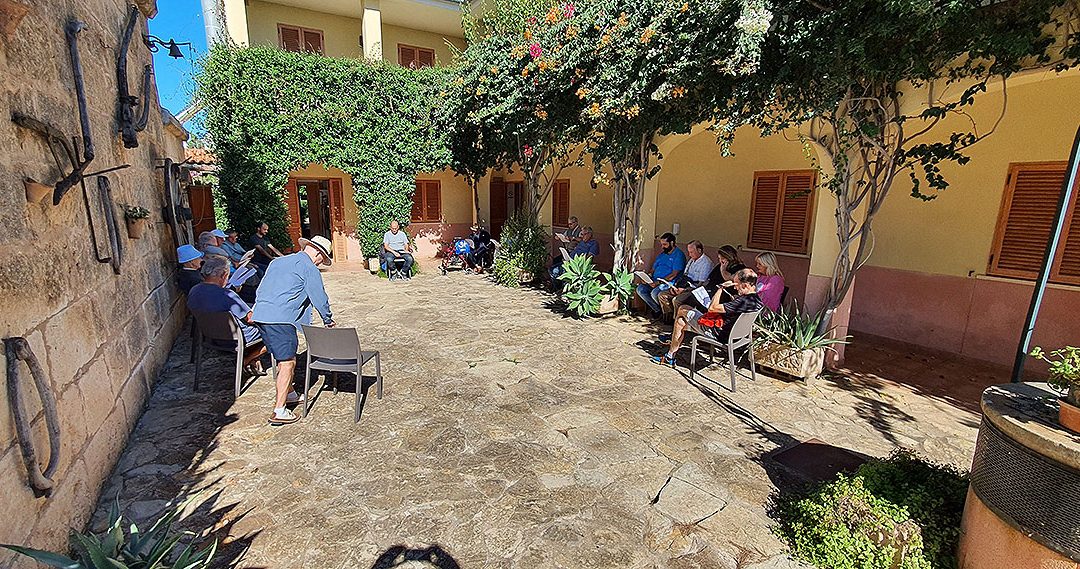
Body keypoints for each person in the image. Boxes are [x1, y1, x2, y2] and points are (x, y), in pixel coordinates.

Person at [253, 235, 335, 426]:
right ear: (317, 253)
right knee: (288, 362)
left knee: (283, 357)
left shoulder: (278, 261)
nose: (321, 262)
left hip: (261, 314)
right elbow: (319, 296)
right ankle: (279, 410)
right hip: (281, 318)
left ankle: (289, 393)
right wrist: (328, 319)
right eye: (322, 258)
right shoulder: (309, 267)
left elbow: (263, 287)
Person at [653, 268, 764, 367]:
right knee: (681, 322)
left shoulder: (742, 301)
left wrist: (721, 288)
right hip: (738, 336)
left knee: (682, 309)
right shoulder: (756, 301)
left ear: (745, 285)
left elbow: (712, 308)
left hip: (717, 334)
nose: (734, 288)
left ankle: (670, 353)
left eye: (736, 284)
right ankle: (670, 353)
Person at [187, 257, 267, 374]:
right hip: (235, 337)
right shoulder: (227, 295)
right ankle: (246, 360)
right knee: (276, 333)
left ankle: (253, 360)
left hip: (209, 336)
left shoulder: (194, 291)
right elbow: (251, 318)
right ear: (224, 275)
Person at [656, 240, 715, 320]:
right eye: (689, 252)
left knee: (677, 300)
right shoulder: (691, 260)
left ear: (699, 250)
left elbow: (701, 284)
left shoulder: (706, 263)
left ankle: (678, 320)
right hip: (684, 285)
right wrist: (676, 287)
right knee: (662, 295)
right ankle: (669, 318)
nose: (689, 255)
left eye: (691, 252)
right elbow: (685, 275)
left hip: (694, 289)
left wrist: (684, 290)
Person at [635, 232, 687, 316]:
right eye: (662, 244)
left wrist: (658, 283)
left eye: (665, 244)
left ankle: (664, 312)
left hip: (668, 283)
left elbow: (674, 274)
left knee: (655, 293)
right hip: (654, 281)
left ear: (672, 243)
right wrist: (647, 278)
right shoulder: (662, 255)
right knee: (640, 289)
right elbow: (653, 269)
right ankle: (657, 309)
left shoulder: (679, 255)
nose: (662, 247)